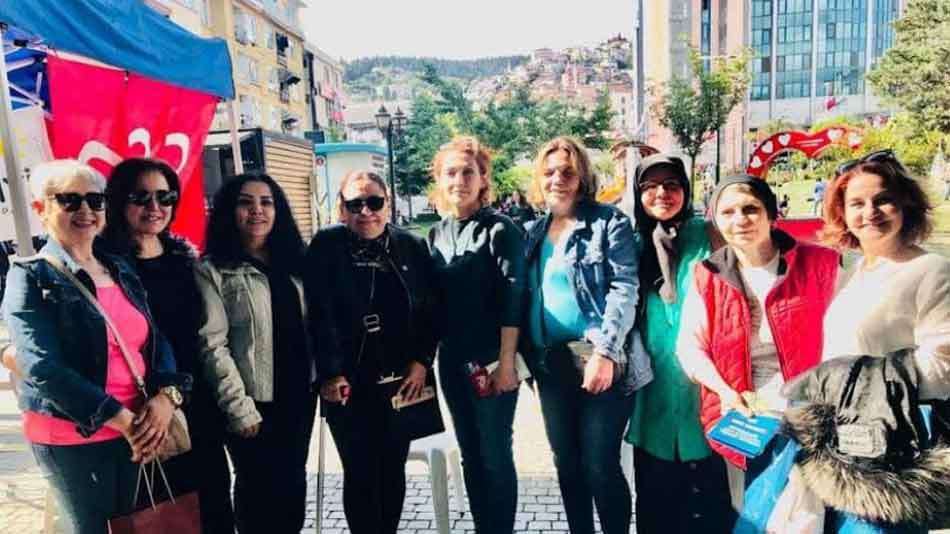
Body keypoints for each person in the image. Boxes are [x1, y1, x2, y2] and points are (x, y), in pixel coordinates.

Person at [2, 160, 189, 534]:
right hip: (76, 434)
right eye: (69, 200)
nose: (85, 210)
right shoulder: (30, 275)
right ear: (41, 207)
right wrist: (121, 419)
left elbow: (155, 339)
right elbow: (41, 367)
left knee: (134, 527)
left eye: (95, 200)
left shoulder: (118, 268)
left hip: (137, 427)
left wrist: (167, 396)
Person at [675, 174, 840, 510]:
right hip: (741, 410)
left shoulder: (820, 264)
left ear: (771, 214)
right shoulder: (708, 274)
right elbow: (690, 346)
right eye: (728, 212)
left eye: (750, 209)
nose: (740, 220)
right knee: (751, 506)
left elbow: (845, 335)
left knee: (803, 512)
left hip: (809, 407)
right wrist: (725, 392)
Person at [523, 136, 652, 534]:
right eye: (549, 172)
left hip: (599, 362)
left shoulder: (608, 223)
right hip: (550, 365)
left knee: (599, 465)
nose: (557, 179)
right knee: (567, 464)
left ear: (582, 177)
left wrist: (606, 353)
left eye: (567, 172)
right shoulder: (532, 231)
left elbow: (624, 289)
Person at [100, 158, 234, 533]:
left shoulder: (186, 261)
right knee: (162, 516)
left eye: (165, 197)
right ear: (118, 201)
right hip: (142, 412)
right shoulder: (102, 265)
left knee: (214, 508)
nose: (154, 207)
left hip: (197, 405)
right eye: (140, 197)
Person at [819, 150, 950, 532]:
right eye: (856, 203)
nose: (870, 212)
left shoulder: (931, 270)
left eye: (883, 200)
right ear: (842, 213)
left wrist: (855, 384)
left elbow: (942, 368)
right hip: (848, 448)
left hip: (896, 459)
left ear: (905, 203)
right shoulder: (858, 271)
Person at [305, 171, 437, 534]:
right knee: (360, 471)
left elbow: (431, 310)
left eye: (374, 202)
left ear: (388, 204)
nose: (366, 211)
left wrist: (422, 361)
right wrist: (329, 373)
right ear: (341, 209)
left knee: (392, 468)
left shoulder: (411, 246)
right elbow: (316, 313)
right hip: (347, 380)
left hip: (400, 378)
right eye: (355, 204)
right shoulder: (326, 245)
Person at [195, 173, 314, 534]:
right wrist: (239, 407)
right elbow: (212, 345)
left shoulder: (297, 262)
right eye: (245, 202)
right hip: (252, 402)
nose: (257, 210)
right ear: (229, 211)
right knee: (257, 492)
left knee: (293, 485)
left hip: (298, 397)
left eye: (266, 202)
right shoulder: (213, 270)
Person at [624, 154, 734, 533]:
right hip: (653, 389)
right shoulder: (632, 244)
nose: (662, 193)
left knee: (709, 503)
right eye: (650, 186)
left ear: (686, 190)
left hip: (706, 385)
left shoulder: (710, 235)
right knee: (656, 501)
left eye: (671, 185)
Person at [427, 136, 526, 534]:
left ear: (483, 178)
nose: (459, 180)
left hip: (491, 359)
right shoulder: (435, 234)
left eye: (468, 172)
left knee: (495, 454)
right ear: (439, 179)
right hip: (452, 361)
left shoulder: (501, 230)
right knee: (470, 452)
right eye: (450, 172)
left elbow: (514, 300)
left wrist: (506, 364)